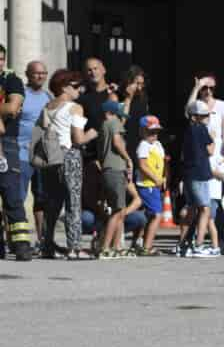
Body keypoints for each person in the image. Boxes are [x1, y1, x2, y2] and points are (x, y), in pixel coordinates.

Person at [38, 70, 96, 259]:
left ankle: (46, 244)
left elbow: (43, 131)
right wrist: (95, 132)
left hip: (50, 157)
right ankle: (74, 247)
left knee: (52, 203)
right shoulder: (74, 108)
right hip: (69, 155)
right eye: (76, 86)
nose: (80, 89)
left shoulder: (47, 107)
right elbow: (78, 139)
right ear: (64, 87)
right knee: (73, 201)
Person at [0, 55, 34, 260]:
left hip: (7, 143)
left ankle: (21, 245)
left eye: (1, 59)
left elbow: (12, 108)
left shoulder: (12, 81)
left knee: (12, 195)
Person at [17, 60, 50, 252]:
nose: (40, 76)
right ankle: (15, 240)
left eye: (43, 73)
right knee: (16, 199)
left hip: (41, 155)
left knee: (42, 199)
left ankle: (43, 240)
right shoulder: (21, 94)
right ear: (28, 74)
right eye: (36, 73)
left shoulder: (47, 96)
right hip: (20, 153)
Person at [178, 100, 216, 258]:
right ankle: (198, 245)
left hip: (189, 173)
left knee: (193, 209)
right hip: (199, 173)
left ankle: (183, 244)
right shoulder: (201, 129)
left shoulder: (188, 130)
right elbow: (210, 150)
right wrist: (213, 138)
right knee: (205, 209)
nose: (207, 118)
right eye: (203, 116)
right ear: (194, 117)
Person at [96, 99, 133, 259]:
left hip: (107, 170)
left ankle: (115, 247)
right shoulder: (113, 123)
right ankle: (106, 248)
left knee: (119, 210)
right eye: (118, 115)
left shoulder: (103, 127)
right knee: (117, 211)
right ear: (109, 113)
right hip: (116, 169)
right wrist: (128, 158)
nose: (120, 119)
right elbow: (117, 142)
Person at [134, 115, 166, 256]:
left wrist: (164, 178)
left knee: (149, 215)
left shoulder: (157, 145)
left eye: (156, 131)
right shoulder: (143, 146)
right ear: (142, 131)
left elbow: (163, 163)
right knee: (156, 215)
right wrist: (155, 179)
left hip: (156, 185)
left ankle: (140, 242)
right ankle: (147, 247)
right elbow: (143, 165)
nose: (154, 134)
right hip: (147, 185)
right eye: (150, 131)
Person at [186, 74, 224, 164]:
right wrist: (196, 88)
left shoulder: (222, 105)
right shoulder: (196, 105)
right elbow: (188, 111)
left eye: (211, 88)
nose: (208, 91)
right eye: (204, 88)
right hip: (198, 154)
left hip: (217, 155)